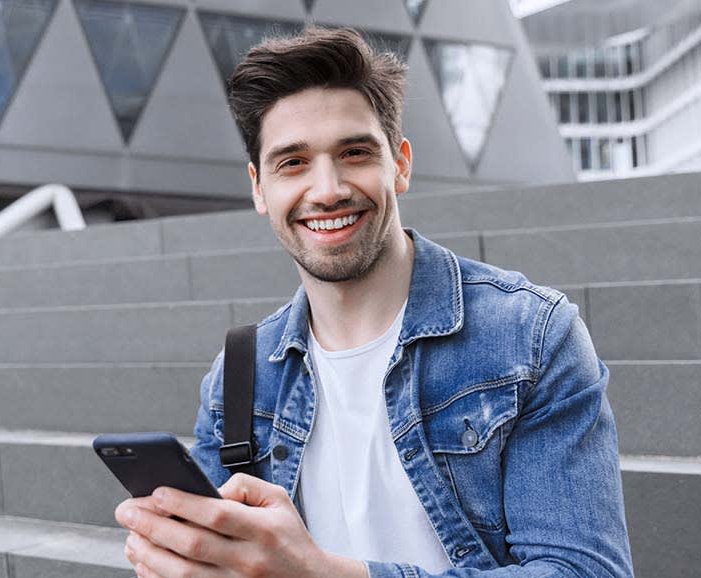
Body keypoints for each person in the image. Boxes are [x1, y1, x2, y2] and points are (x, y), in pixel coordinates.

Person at [114, 27, 633, 578]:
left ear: (400, 164)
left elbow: (586, 571)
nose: (328, 188)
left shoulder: (529, 336)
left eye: (354, 153)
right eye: (292, 163)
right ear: (259, 188)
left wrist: (320, 574)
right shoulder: (239, 376)